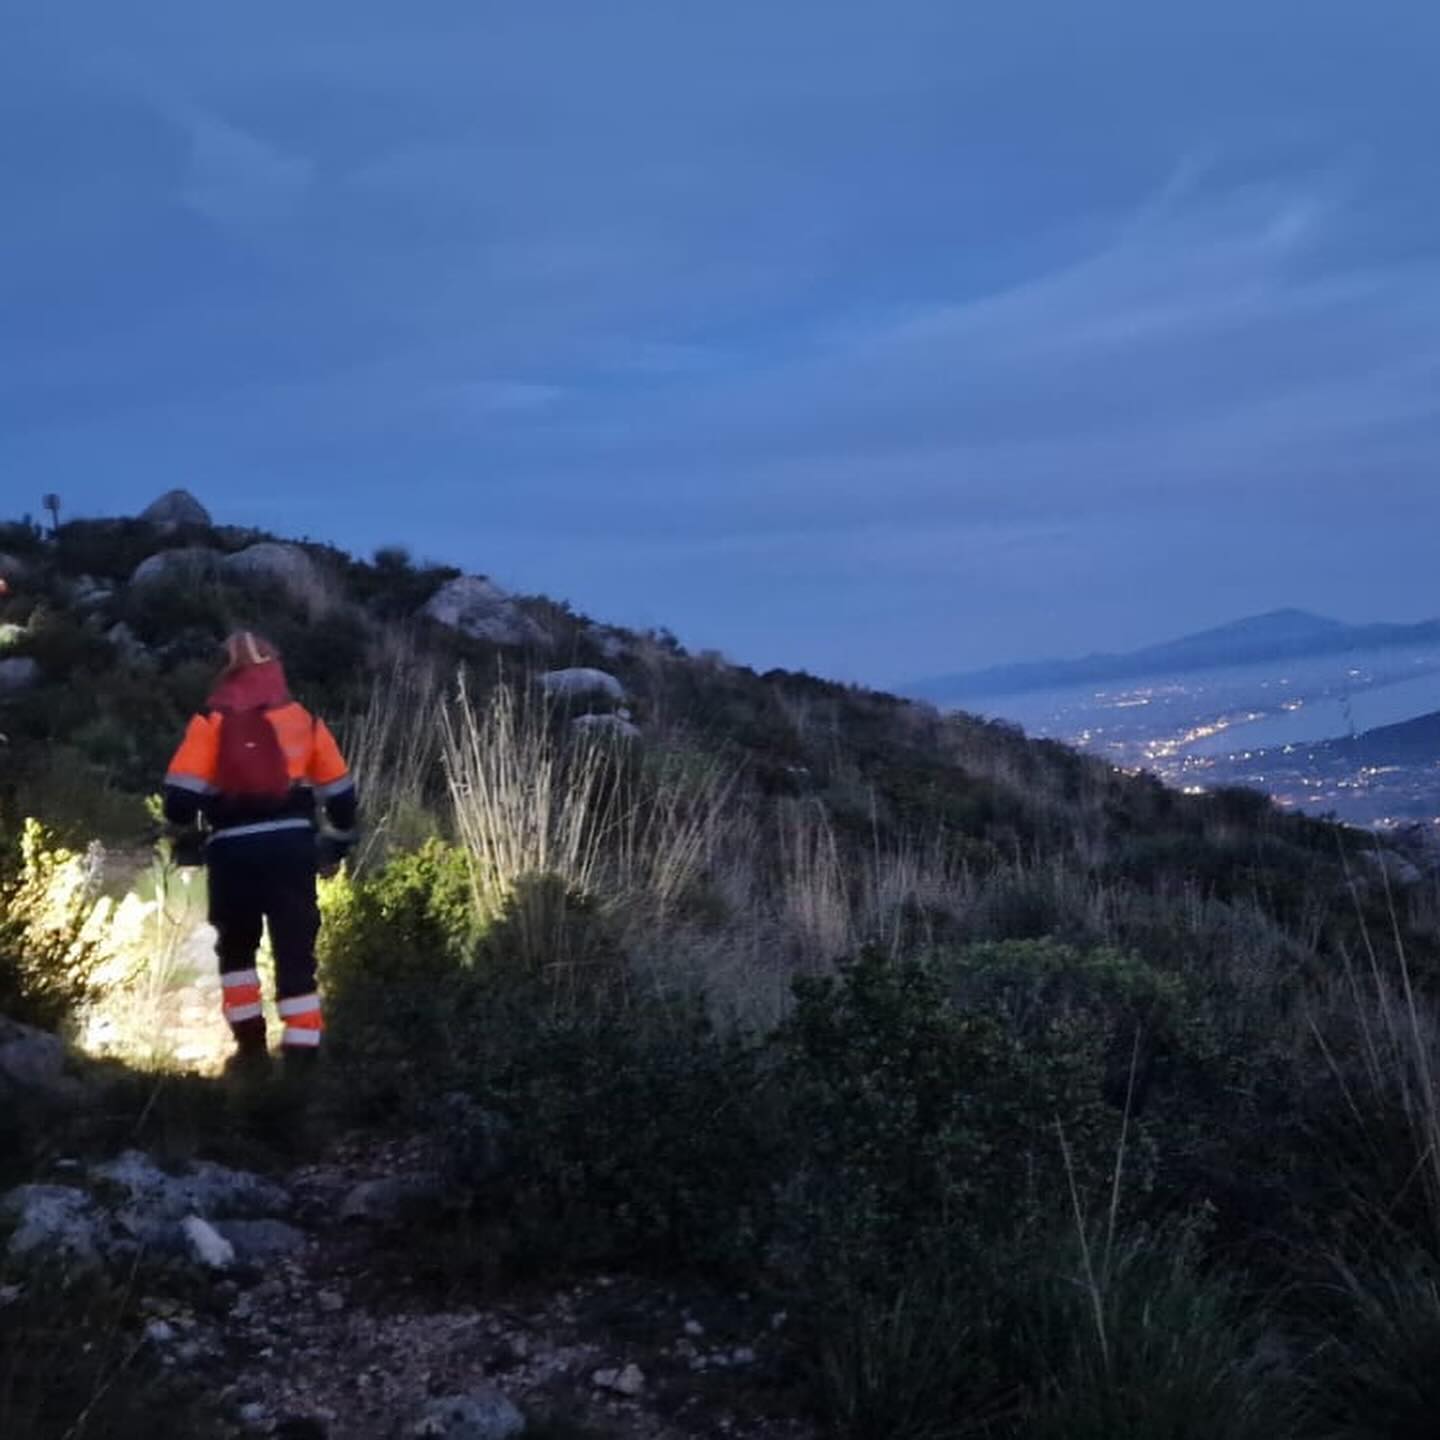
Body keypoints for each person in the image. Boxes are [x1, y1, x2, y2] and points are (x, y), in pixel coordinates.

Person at [162, 631, 358, 1076]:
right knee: (295, 954)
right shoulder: (303, 721)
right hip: (291, 849)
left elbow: (178, 800)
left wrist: (185, 835)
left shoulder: (209, 722)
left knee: (237, 953)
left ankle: (250, 1053)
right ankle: (303, 1059)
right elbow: (343, 797)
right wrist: (337, 846)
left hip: (231, 852)